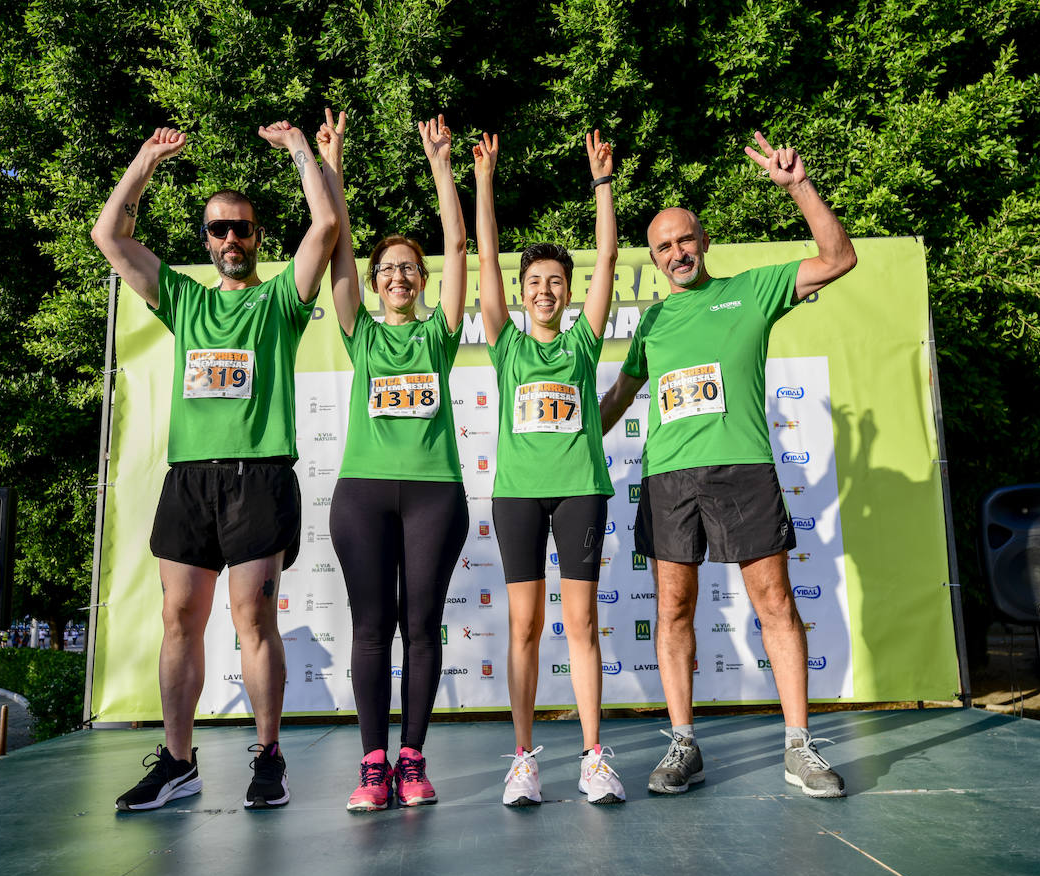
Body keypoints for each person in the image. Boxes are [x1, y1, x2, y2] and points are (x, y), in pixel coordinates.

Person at [599, 132, 857, 798]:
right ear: (653, 259)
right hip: (668, 480)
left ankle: (799, 747)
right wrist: (558, 438)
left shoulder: (754, 291)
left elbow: (839, 258)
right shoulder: (651, 325)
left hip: (742, 468)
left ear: (703, 241)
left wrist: (797, 184)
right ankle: (684, 744)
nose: (677, 253)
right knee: (674, 610)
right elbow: (617, 401)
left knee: (774, 603)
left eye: (685, 240)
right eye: (663, 247)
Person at [92, 120, 339, 812]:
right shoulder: (184, 298)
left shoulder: (280, 300)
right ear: (205, 239)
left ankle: (269, 755)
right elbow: (109, 238)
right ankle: (178, 762)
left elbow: (324, 229)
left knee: (252, 619)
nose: (231, 239)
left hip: (257, 475)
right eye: (219, 229)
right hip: (190, 480)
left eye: (243, 229)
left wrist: (300, 150)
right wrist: (143, 159)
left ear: (258, 238)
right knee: (179, 618)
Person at [315, 110, 468, 811]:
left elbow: (461, 245)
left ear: (423, 280)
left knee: (422, 624)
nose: (399, 275)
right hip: (363, 496)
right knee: (372, 625)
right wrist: (333, 165)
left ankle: (412, 761)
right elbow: (337, 245)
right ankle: (372, 764)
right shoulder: (361, 334)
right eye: (388, 269)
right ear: (375, 283)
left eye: (410, 267)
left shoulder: (439, 333)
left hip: (435, 493)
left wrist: (442, 165)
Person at [472, 130, 624, 805]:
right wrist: (483, 181)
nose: (544, 290)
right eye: (533, 281)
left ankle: (594, 757)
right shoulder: (504, 344)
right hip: (517, 500)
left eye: (554, 281)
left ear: (566, 292)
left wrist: (601, 184)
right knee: (525, 627)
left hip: (581, 496)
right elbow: (481, 259)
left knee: (583, 626)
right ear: (521, 291)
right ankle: (524, 760)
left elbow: (611, 255)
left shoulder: (583, 343)